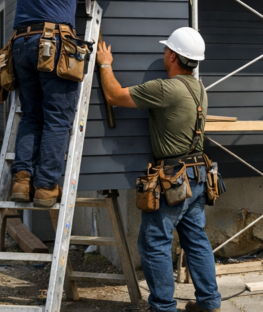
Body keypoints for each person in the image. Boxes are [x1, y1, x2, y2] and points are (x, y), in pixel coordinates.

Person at [10, 0, 138, 207]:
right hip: (51, 45)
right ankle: (44, 187)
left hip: (20, 45)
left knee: (31, 115)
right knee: (57, 118)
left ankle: (21, 181)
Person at [97, 28, 220, 312]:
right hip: (199, 174)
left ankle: (163, 307)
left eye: (166, 50)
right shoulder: (199, 88)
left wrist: (105, 63)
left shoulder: (165, 89)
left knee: (155, 242)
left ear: (174, 56)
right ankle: (209, 303)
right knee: (196, 240)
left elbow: (114, 95)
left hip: (173, 178)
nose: (163, 54)